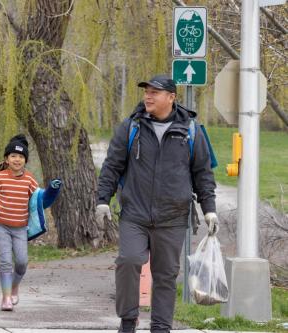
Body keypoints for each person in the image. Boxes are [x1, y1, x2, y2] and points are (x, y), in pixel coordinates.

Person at [96, 75, 219, 333]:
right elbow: (112, 165)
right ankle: (128, 320)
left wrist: (209, 210)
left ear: (171, 98)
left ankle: (161, 328)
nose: (148, 97)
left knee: (165, 276)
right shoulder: (132, 127)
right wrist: (102, 200)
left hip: (172, 218)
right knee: (129, 261)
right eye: (147, 92)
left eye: (155, 92)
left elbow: (203, 174)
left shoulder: (191, 131)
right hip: (135, 214)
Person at [0, 134, 61, 311]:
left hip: (20, 228)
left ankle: (14, 287)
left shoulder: (29, 180)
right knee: (5, 261)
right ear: (6, 159)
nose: (17, 159)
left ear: (25, 160)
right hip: (2, 227)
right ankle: (6, 298)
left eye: (21, 157)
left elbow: (40, 201)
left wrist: (52, 190)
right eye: (13, 156)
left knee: (21, 262)